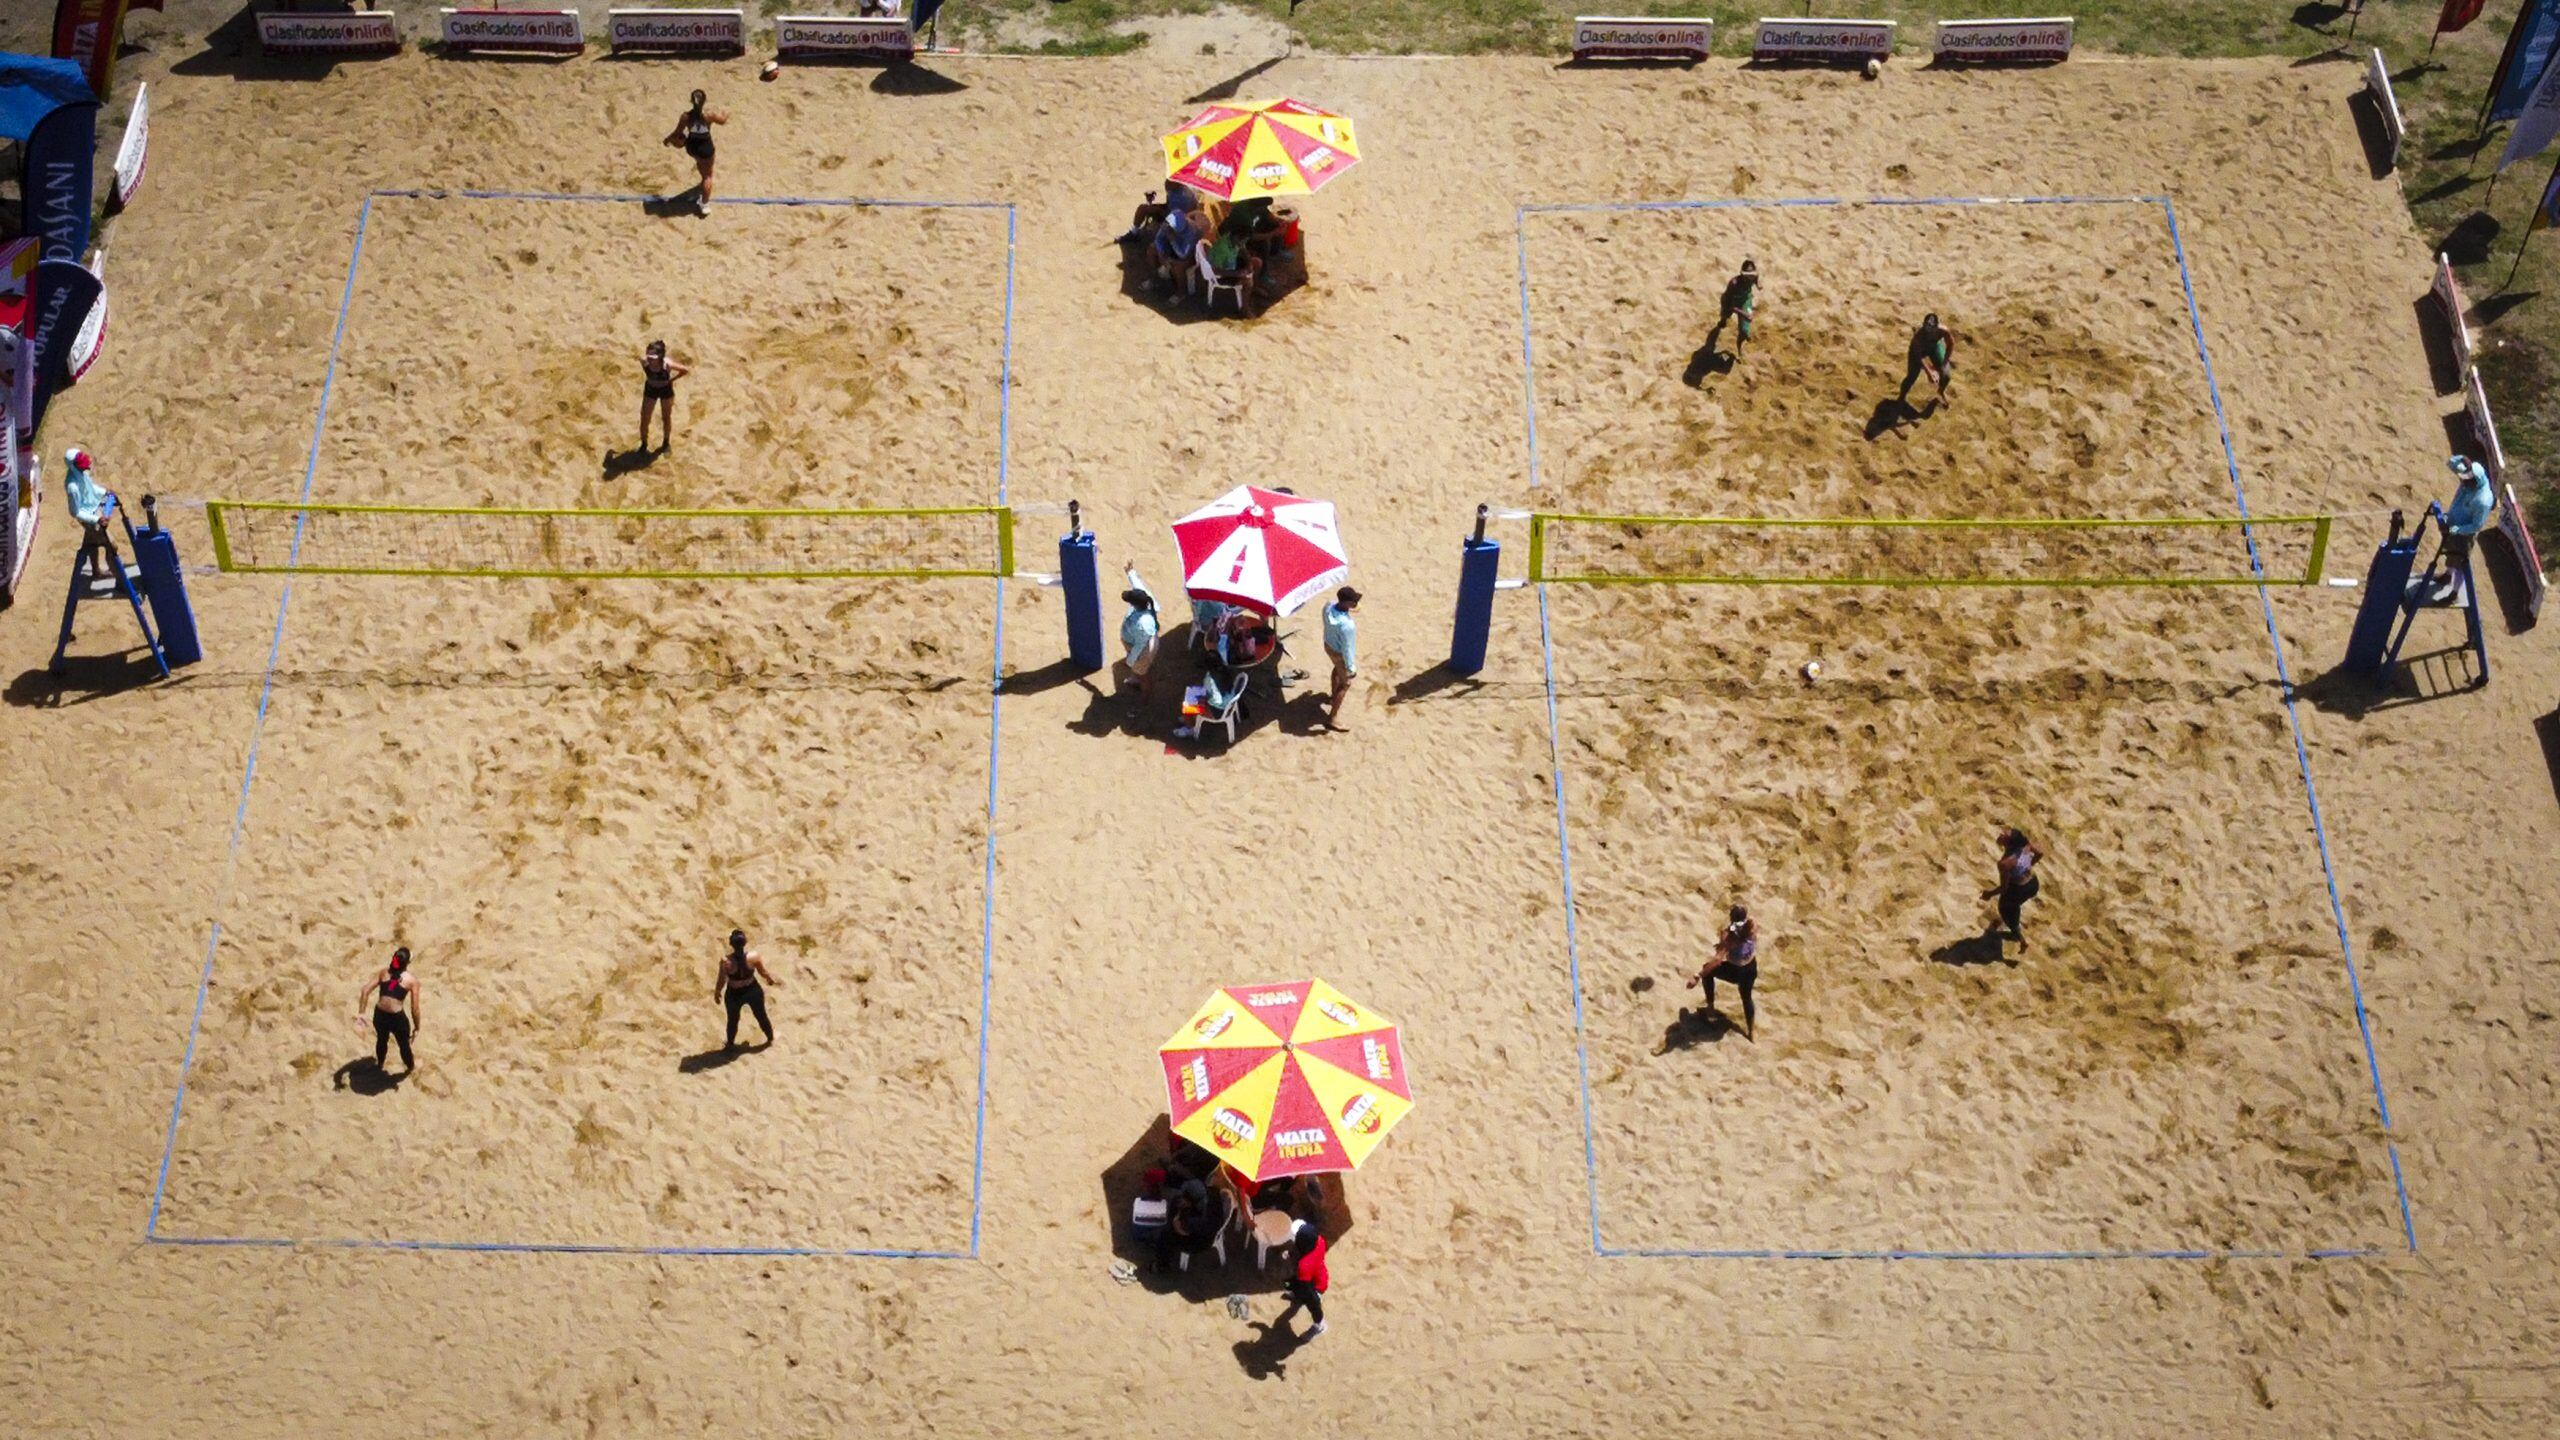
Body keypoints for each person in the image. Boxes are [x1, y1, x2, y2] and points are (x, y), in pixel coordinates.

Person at [1686, 903, 1759, 1039]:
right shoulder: (1752, 927)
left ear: (1731, 917)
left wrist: (1698, 975)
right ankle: (1751, 1032)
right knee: (1747, 998)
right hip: (1750, 969)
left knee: (1707, 971)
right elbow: (1741, 935)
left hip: (1734, 971)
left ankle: (1711, 1009)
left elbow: (1718, 960)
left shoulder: (1727, 935)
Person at [2433, 453, 2497, 601]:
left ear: (2475, 481)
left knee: (2460, 562)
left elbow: (2476, 525)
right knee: (2450, 554)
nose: (2463, 483)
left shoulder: (2483, 500)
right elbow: (2450, 463)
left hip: (2464, 534)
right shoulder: (2469, 476)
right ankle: (2447, 576)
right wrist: (2462, 458)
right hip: (2452, 524)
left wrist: (2455, 530)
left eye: (2467, 482)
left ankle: (2454, 593)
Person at [60, 448, 124, 592]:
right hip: (89, 518)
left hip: (95, 509)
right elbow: (75, 512)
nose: (86, 467)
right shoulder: (72, 488)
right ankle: (121, 583)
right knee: (111, 546)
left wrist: (104, 492)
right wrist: (96, 519)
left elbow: (91, 489)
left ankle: (96, 571)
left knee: (93, 543)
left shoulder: (82, 474)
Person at [357, 946, 422, 1075]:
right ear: (407, 963)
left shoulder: (384, 973)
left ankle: (380, 1063)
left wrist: (361, 1016)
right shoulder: (412, 981)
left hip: (380, 1015)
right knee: (404, 1045)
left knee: (381, 1039)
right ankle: (410, 1067)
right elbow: (415, 1009)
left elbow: (365, 991)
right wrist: (417, 1027)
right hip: (397, 1018)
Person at [715, 928, 778, 1050]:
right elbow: (763, 972)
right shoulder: (754, 956)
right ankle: (770, 1038)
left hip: (734, 993)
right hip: (752, 990)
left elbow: (721, 980)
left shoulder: (726, 961)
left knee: (733, 1020)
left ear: (731, 944)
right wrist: (770, 979)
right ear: (745, 942)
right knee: (761, 1015)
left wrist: (717, 992)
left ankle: (730, 1044)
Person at [664, 90, 727, 209]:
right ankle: (704, 204)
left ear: (691, 101)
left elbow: (677, 133)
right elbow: (722, 121)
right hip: (705, 148)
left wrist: (667, 140)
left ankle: (703, 178)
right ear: (704, 102)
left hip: (692, 147)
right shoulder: (709, 116)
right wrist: (726, 113)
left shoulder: (685, 117)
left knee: (700, 163)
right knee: (707, 177)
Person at [1982, 828, 2043, 950]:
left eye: (2005, 835)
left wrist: (1989, 894)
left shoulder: (2005, 863)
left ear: (2009, 842)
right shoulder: (2026, 847)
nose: (2001, 833)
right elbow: (2040, 853)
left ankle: (2020, 940)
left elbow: (2004, 888)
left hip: (2018, 889)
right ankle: (2013, 925)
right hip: (2033, 883)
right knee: (2015, 907)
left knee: (2005, 910)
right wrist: (2030, 863)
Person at [1275, 1216, 1329, 1338]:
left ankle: (1319, 1324)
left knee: (1311, 1303)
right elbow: (1299, 1250)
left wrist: (1288, 1260)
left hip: (1313, 1285)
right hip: (1314, 1276)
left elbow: (1306, 1289)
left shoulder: (1304, 1265)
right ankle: (1294, 1294)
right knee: (1287, 1284)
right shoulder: (1319, 1241)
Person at [1115, 564, 1161, 701]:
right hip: (1134, 642)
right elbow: (1138, 586)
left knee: (1143, 674)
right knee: (1137, 667)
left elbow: (1140, 646)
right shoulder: (1145, 599)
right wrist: (1131, 573)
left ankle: (1145, 695)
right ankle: (1136, 676)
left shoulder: (1143, 625)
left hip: (1142, 650)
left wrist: (1130, 660)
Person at [637, 341, 689, 454]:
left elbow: (684, 370)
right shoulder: (644, 361)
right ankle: (643, 444)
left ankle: (666, 442)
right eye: (648, 355)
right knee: (645, 418)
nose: (650, 359)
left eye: (653, 357)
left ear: (660, 356)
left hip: (665, 390)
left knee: (666, 417)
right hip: (651, 389)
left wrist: (672, 380)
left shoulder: (667, 365)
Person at [1899, 312, 1958, 409]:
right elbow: (1918, 356)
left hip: (1934, 347)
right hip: (1918, 351)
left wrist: (1945, 361)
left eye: (1932, 329)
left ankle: (1940, 391)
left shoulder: (1943, 331)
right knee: (1911, 376)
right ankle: (1901, 397)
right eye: (1926, 328)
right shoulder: (1918, 336)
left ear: (1937, 326)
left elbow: (1950, 343)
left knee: (1946, 374)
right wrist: (1929, 372)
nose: (1929, 332)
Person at [1322, 587, 1361, 729]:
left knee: (1336, 669)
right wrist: (1351, 668)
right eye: (1353, 601)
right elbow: (1348, 648)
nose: (1355, 603)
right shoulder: (1347, 626)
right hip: (1339, 652)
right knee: (1345, 684)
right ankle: (1332, 718)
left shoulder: (1328, 606)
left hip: (1328, 645)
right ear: (1347, 603)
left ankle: (1333, 697)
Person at [1713, 259, 1759, 354]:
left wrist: (1758, 285)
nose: (1749, 277)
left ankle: (1740, 344)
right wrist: (1745, 314)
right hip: (1729, 302)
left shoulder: (1754, 276)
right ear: (1741, 274)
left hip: (1745, 300)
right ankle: (1723, 321)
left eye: (1751, 275)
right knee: (1725, 315)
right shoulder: (1734, 284)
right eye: (1746, 275)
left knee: (1745, 329)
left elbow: (1756, 280)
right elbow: (1731, 306)